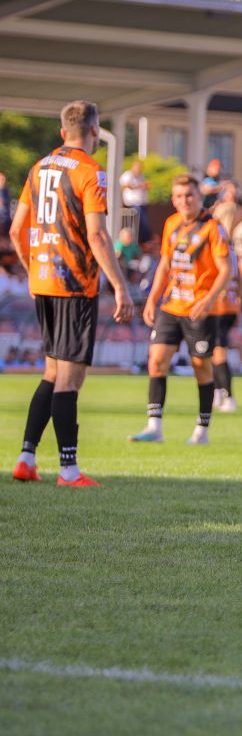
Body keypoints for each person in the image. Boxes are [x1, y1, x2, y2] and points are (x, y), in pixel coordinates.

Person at [9, 99, 134, 486]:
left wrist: (33, 270)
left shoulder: (38, 168)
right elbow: (97, 235)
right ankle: (68, 469)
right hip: (75, 284)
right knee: (70, 378)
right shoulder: (90, 171)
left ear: (63, 132)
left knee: (52, 371)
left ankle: (26, 458)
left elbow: (15, 230)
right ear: (95, 130)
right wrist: (120, 286)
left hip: (44, 282)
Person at [127, 175, 232, 445]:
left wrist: (208, 300)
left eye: (189, 195)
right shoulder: (171, 223)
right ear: (173, 200)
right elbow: (165, 265)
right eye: (179, 196)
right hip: (171, 305)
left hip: (199, 310)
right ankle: (154, 427)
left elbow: (226, 269)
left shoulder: (213, 228)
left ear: (199, 197)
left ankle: (202, 429)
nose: (185, 200)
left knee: (201, 368)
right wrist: (152, 299)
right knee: (156, 361)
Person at [210, 241, 242, 413]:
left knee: (218, 353)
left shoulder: (216, 247)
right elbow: (241, 279)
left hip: (219, 306)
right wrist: (238, 301)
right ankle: (217, 392)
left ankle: (228, 397)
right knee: (212, 351)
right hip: (230, 306)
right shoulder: (232, 252)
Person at [119, 160, 152, 244]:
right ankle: (145, 240)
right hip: (132, 204)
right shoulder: (128, 175)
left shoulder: (141, 177)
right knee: (142, 222)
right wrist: (140, 185)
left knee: (143, 223)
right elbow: (126, 185)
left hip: (142, 204)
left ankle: (144, 241)